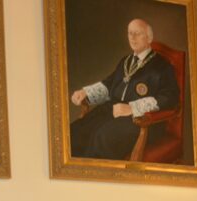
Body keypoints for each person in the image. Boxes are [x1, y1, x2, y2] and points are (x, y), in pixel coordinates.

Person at [69, 18, 179, 160]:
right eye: (130, 33)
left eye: (137, 33)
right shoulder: (126, 61)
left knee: (102, 138)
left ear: (149, 37)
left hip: (142, 120)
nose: (132, 37)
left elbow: (170, 98)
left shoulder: (162, 66)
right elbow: (110, 84)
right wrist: (86, 92)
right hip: (113, 110)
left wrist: (132, 108)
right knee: (77, 130)